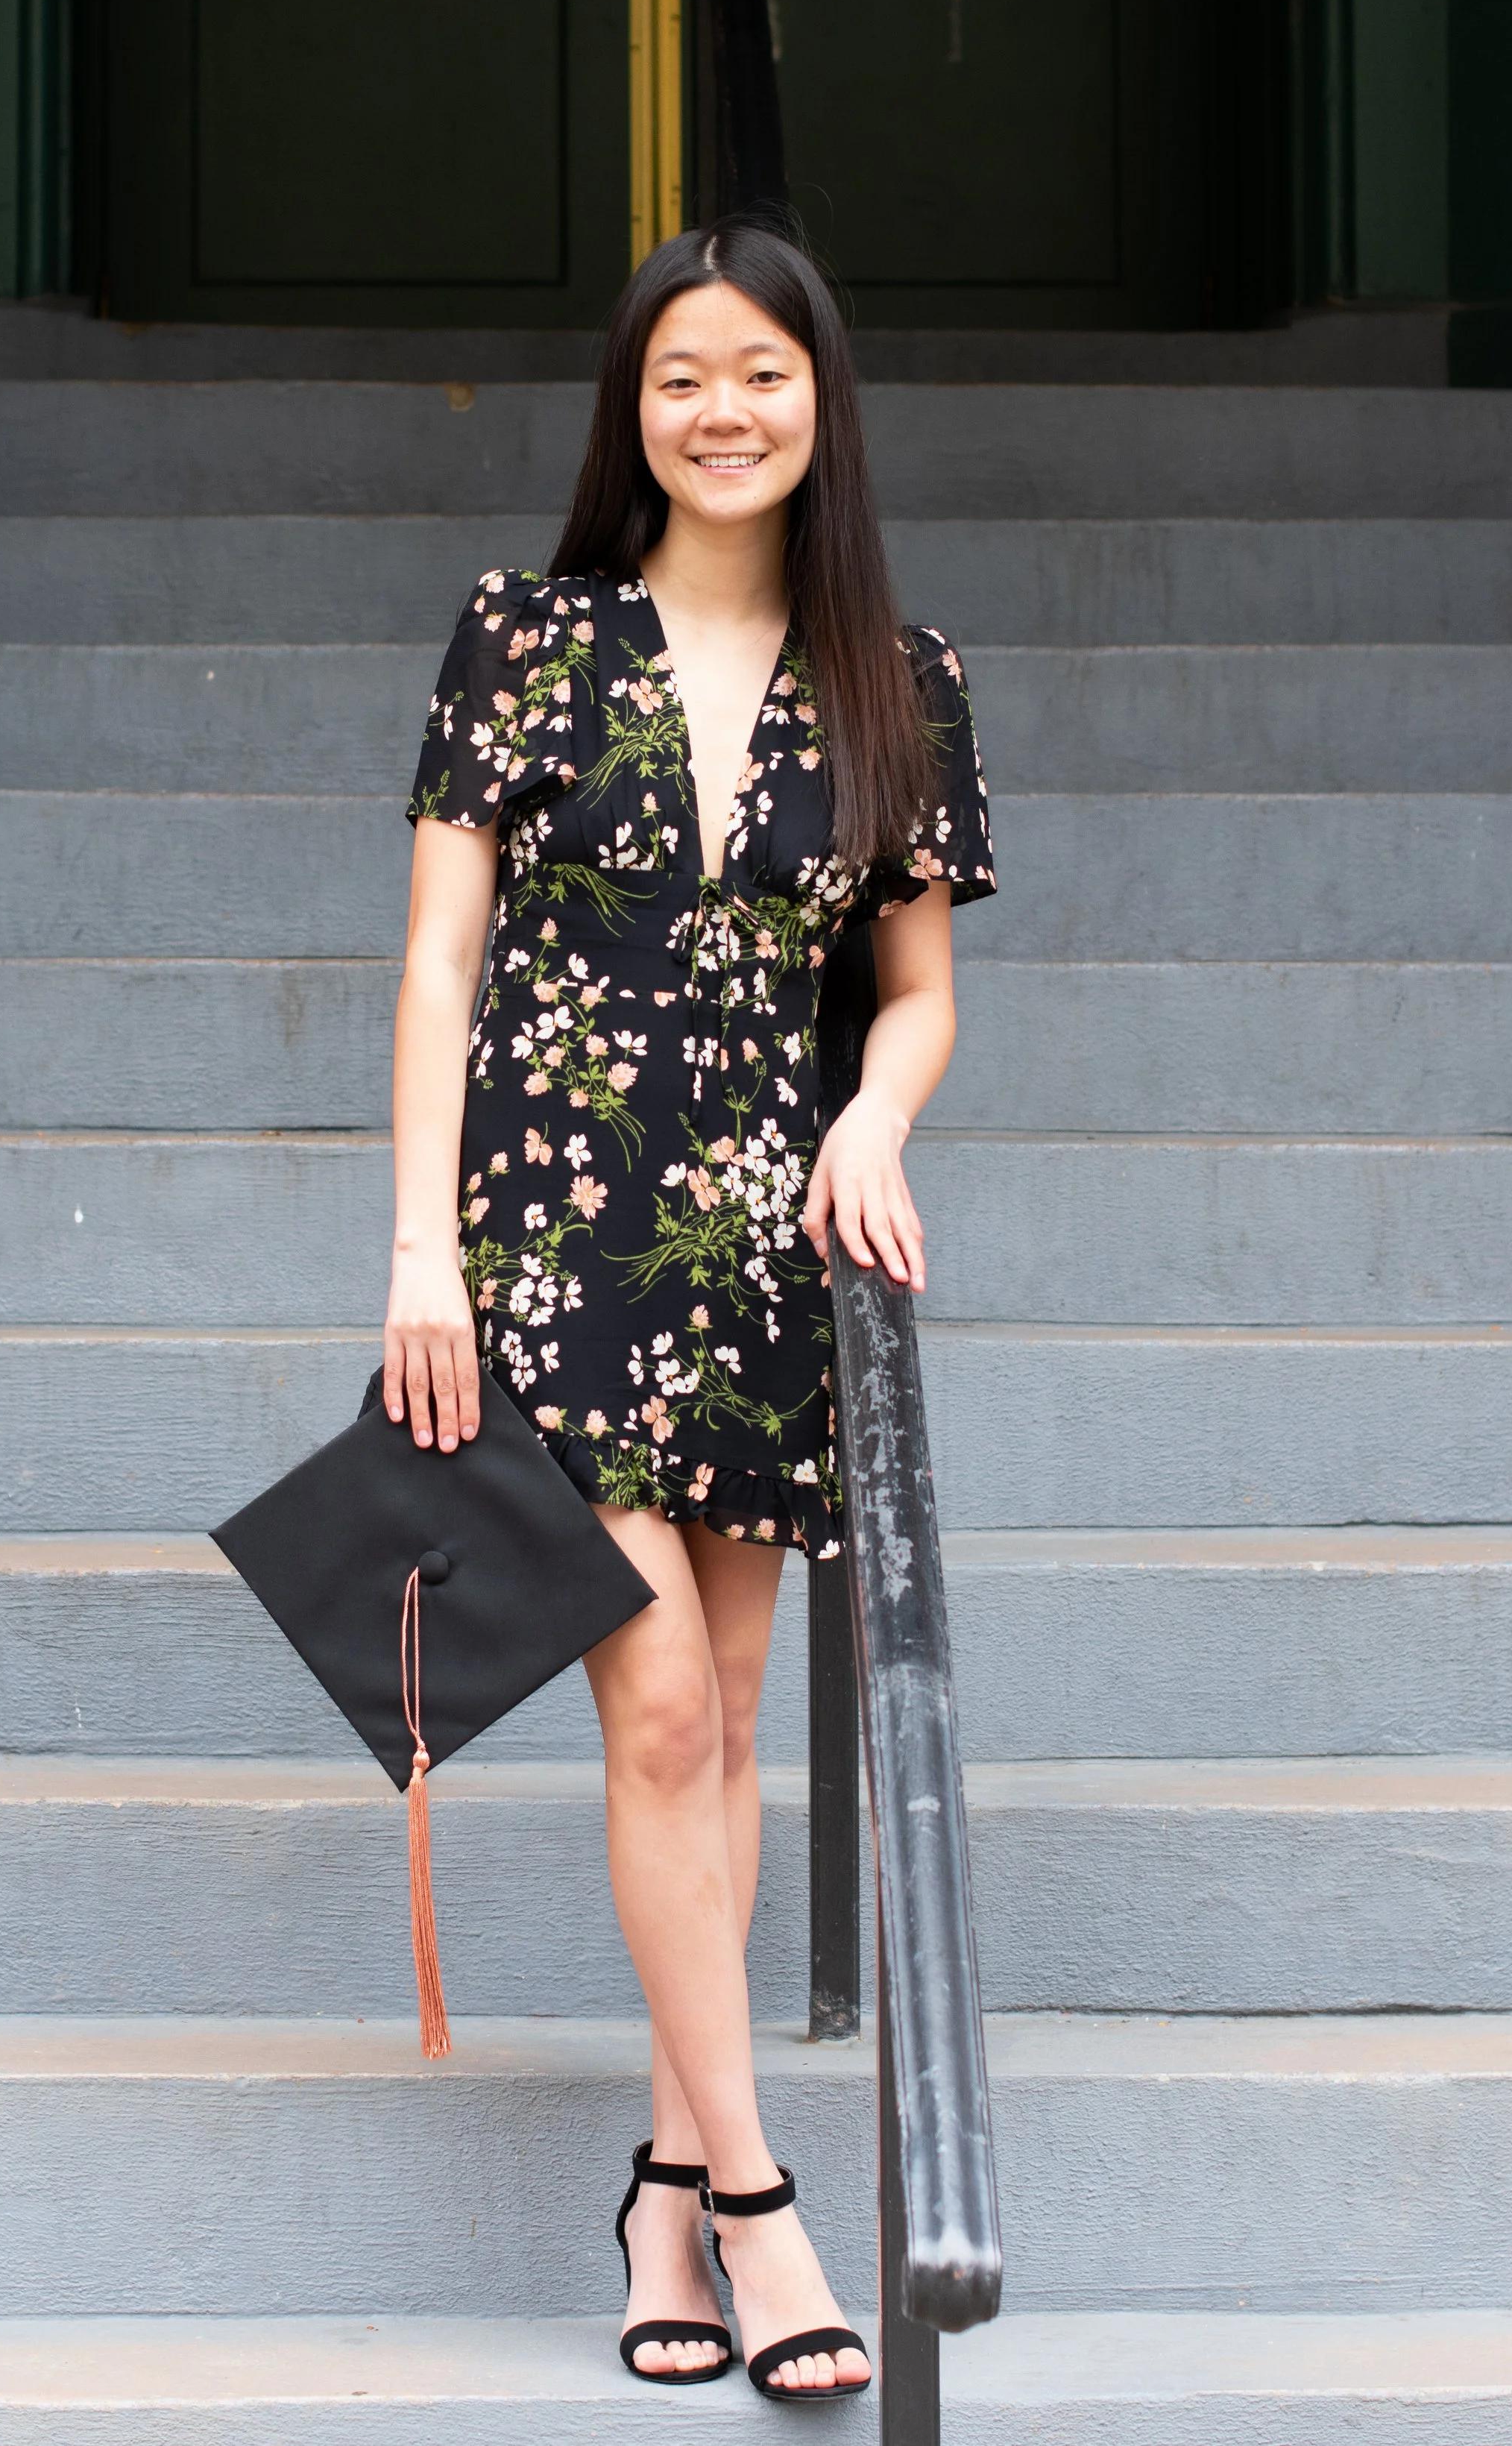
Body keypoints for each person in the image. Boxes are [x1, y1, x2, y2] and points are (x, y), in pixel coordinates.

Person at [387, 218, 995, 2402]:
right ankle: (757, 2196)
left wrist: (878, 1120)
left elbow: (913, 990)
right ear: (625, 409)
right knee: (656, 1714)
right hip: (551, 1231)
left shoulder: (895, 678)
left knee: (732, 1722)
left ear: (818, 402)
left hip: (758, 1246)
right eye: (677, 376)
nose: (717, 408)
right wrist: (414, 1249)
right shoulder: (525, 638)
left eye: (757, 372)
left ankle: (655, 2176)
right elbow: (442, 958)